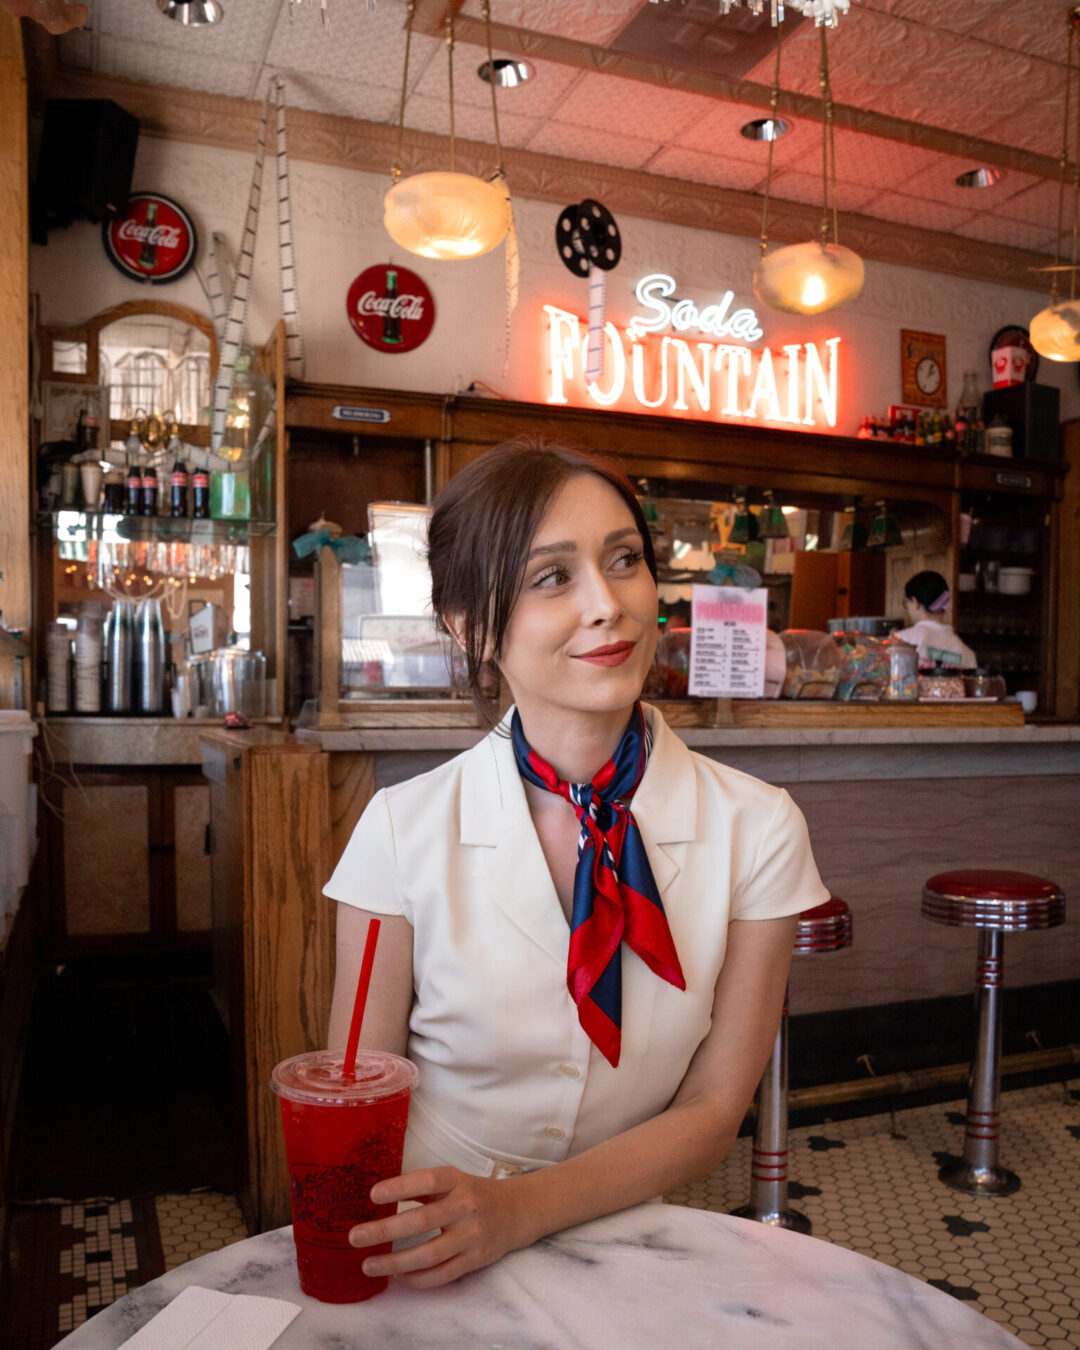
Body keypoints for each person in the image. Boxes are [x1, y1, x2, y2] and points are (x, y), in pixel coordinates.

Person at [324, 439, 829, 1290]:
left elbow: (711, 1113)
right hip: (430, 1229)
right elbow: (355, 1099)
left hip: (630, 1230)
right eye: (551, 577)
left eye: (624, 560)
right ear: (469, 626)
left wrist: (524, 1209)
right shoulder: (401, 831)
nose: (610, 605)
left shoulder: (760, 826)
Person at [895, 570, 976, 670]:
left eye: (907, 602)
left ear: (915, 602)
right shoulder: (967, 654)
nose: (907, 608)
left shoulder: (899, 640)